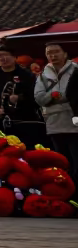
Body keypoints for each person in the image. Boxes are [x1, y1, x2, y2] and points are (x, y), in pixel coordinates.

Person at [0, 46, 45, 149]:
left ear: (14, 57)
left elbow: (35, 95)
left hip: (26, 120)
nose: (3, 58)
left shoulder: (26, 74)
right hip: (2, 121)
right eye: (0, 56)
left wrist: (19, 98)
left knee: (28, 149)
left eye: (6, 55)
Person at [35, 42, 78, 182]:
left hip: (74, 119)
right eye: (49, 53)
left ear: (65, 53)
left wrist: (62, 97)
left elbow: (73, 94)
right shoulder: (43, 75)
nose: (53, 55)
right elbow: (39, 98)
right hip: (53, 123)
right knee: (61, 162)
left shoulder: (75, 70)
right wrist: (52, 95)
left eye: (56, 52)